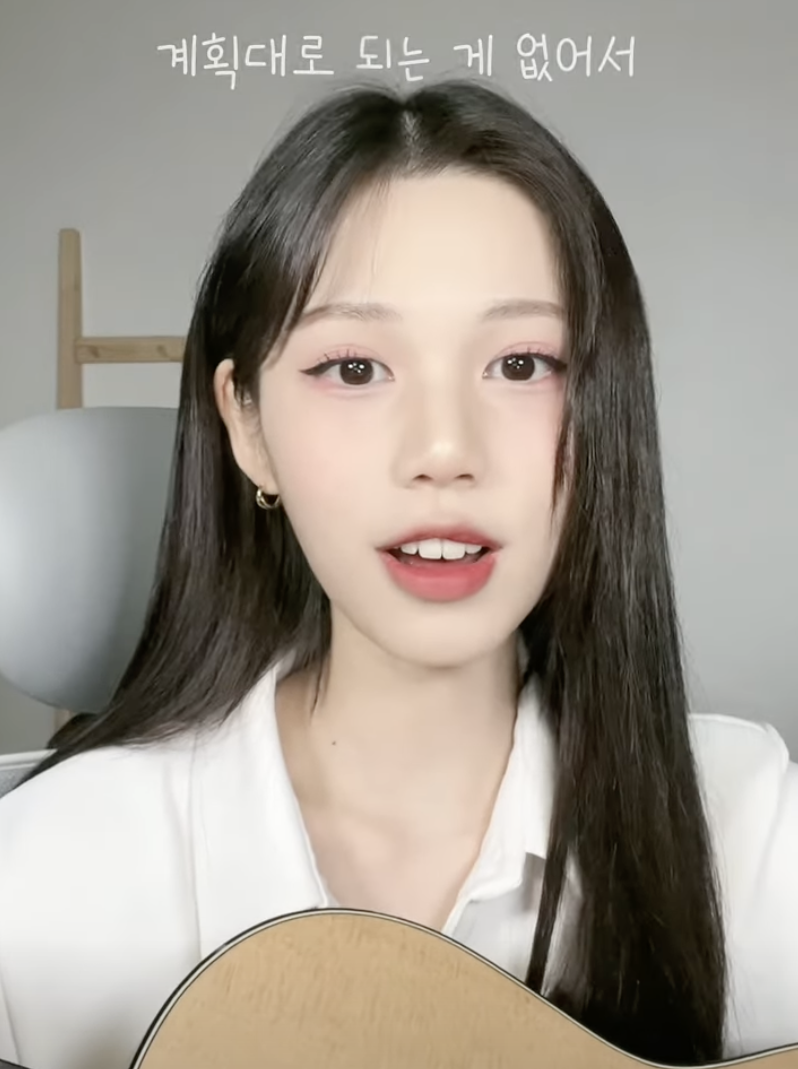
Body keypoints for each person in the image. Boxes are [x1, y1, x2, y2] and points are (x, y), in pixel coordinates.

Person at [0, 80, 796, 1069]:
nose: (443, 450)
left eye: (521, 365)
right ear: (246, 425)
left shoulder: (748, 827)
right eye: (354, 369)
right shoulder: (45, 870)